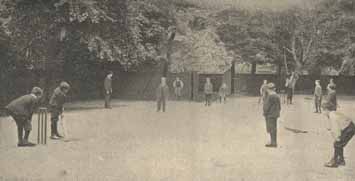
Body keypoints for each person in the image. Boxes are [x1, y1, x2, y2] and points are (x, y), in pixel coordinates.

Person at [322, 103, 355, 168]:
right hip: (349, 126)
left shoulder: (332, 116)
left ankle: (334, 162)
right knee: (338, 144)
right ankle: (341, 160)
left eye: (323, 110)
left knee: (337, 143)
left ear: (327, 110)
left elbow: (336, 128)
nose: (323, 112)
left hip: (349, 129)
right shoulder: (333, 113)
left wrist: (337, 137)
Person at [263, 83, 281, 148]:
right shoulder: (276, 95)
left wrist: (265, 113)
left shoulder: (269, 96)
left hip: (270, 115)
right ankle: (274, 141)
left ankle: (273, 143)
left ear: (268, 89)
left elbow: (266, 106)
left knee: (271, 129)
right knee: (274, 128)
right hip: (275, 114)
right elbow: (279, 106)